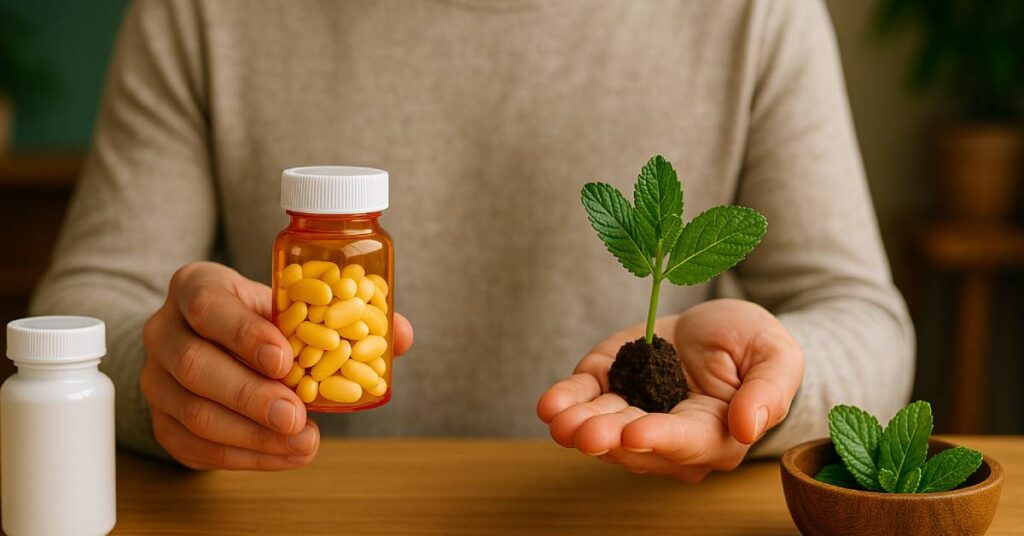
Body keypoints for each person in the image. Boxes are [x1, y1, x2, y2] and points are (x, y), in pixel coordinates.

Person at [32, 0, 913, 478]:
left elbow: (866, 319)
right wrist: (165, 382)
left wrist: (765, 392)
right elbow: (78, 310)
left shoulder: (758, 14)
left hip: (633, 517)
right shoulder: (199, 14)